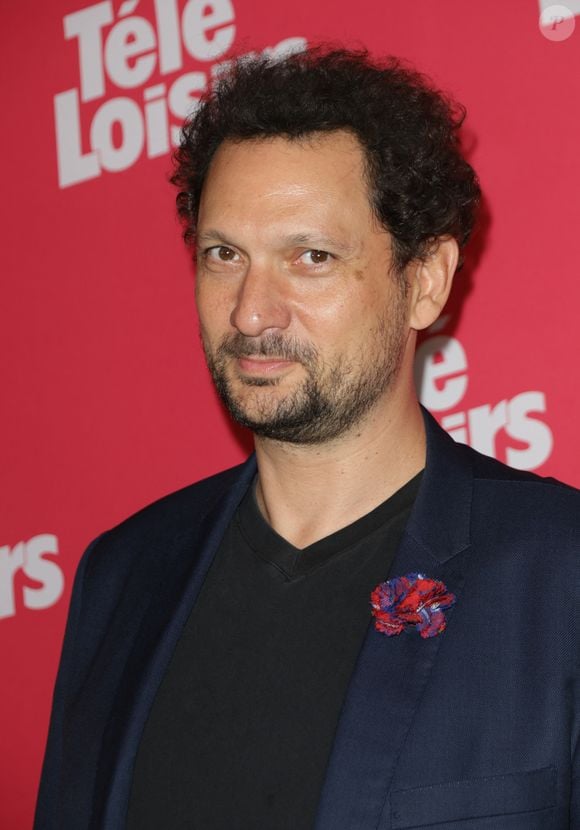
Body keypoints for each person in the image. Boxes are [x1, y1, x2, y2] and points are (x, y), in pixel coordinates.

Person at [35, 47, 578, 830]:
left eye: (311, 258)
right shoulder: (121, 576)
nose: (253, 311)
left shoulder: (559, 573)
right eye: (225, 255)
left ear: (424, 279)